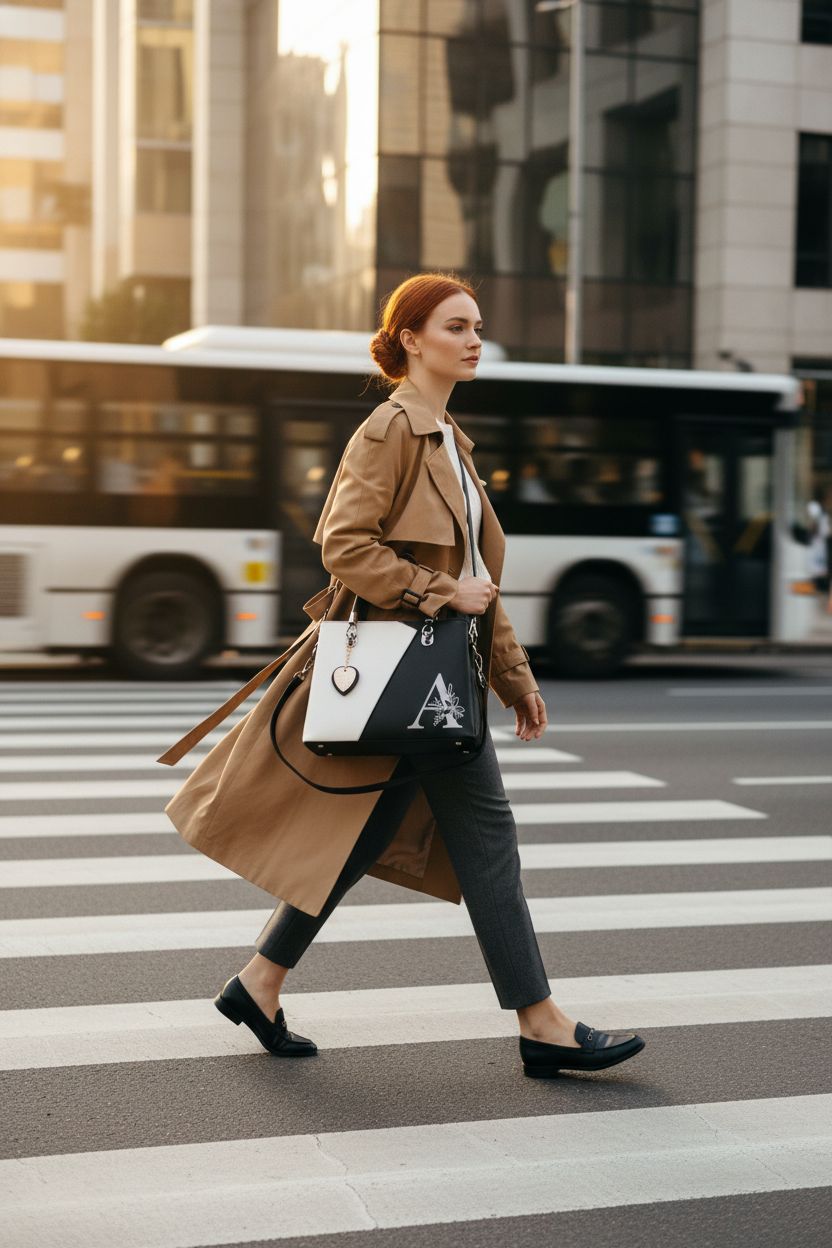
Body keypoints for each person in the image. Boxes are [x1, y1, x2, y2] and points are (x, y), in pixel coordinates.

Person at [161, 272, 644, 1079]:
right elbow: (344, 545)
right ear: (411, 340)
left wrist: (516, 677)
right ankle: (541, 1023)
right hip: (410, 677)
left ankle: (260, 981)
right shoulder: (390, 430)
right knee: (488, 838)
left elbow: (480, 584)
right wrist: (438, 592)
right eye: (456, 326)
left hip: (431, 678)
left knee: (369, 831)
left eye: (477, 326)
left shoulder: (452, 442)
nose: (474, 339)